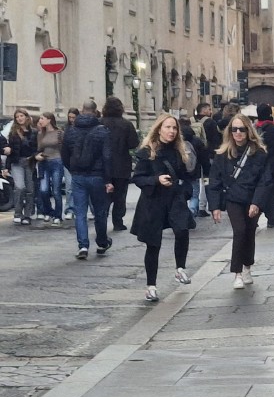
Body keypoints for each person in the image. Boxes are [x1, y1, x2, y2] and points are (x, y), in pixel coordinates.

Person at [130, 113, 198, 302]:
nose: (171, 131)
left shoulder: (179, 150)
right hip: (153, 201)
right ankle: (151, 286)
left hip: (174, 198)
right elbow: (137, 178)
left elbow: (186, 175)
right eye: (168, 127)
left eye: (174, 128)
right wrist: (156, 180)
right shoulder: (147, 151)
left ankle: (180, 269)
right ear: (159, 129)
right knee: (153, 244)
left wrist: (184, 190)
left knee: (182, 230)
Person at [208, 113, 274, 290]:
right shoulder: (222, 155)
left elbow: (265, 180)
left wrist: (257, 203)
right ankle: (236, 272)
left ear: (248, 131)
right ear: (230, 131)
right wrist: (214, 206)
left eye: (242, 129)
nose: (238, 133)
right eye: (234, 129)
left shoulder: (259, 153)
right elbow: (214, 181)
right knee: (240, 230)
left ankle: (247, 266)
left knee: (250, 231)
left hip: (252, 198)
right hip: (233, 199)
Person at [62, 100, 115, 259]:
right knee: (99, 212)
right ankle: (101, 242)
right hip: (97, 176)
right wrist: (108, 179)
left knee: (80, 212)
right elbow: (107, 156)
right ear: (95, 111)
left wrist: (73, 169)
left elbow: (64, 154)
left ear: (81, 111)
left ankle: (83, 246)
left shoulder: (70, 131)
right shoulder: (103, 131)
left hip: (78, 175)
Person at [101, 97, 140, 231]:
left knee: (103, 195)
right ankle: (118, 221)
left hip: (103, 165)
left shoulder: (100, 123)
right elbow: (133, 143)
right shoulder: (126, 124)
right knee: (120, 195)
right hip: (122, 164)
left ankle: (102, 220)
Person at [2, 107, 37, 225]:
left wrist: (34, 158)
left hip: (30, 162)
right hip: (17, 162)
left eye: (21, 116)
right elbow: (10, 152)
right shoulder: (13, 133)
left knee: (30, 189)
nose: (19, 119)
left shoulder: (34, 132)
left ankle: (27, 215)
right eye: (17, 117)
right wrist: (6, 167)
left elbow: (36, 149)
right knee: (20, 187)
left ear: (26, 117)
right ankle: (17, 213)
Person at [254, 102, 274, 228]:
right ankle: (271, 218)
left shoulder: (254, 128)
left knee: (258, 191)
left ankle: (254, 217)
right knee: (273, 193)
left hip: (258, 165)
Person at [34, 111, 64, 226]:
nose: (40, 121)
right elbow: (39, 148)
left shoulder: (59, 132)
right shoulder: (40, 133)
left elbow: (64, 147)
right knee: (43, 190)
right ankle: (48, 211)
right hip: (44, 162)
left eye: (42, 118)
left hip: (56, 161)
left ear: (49, 120)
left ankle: (58, 215)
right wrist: (37, 156)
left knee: (56, 190)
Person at [178, 111, 210, 220]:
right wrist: (206, 171)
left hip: (180, 173)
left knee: (180, 194)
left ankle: (182, 212)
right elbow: (204, 158)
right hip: (194, 172)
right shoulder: (196, 140)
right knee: (194, 194)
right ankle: (192, 211)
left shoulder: (176, 141)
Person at [62, 107, 78, 219]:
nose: (71, 119)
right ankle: (70, 209)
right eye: (70, 117)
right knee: (69, 187)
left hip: (78, 160)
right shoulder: (65, 129)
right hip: (68, 160)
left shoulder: (80, 128)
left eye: (73, 117)